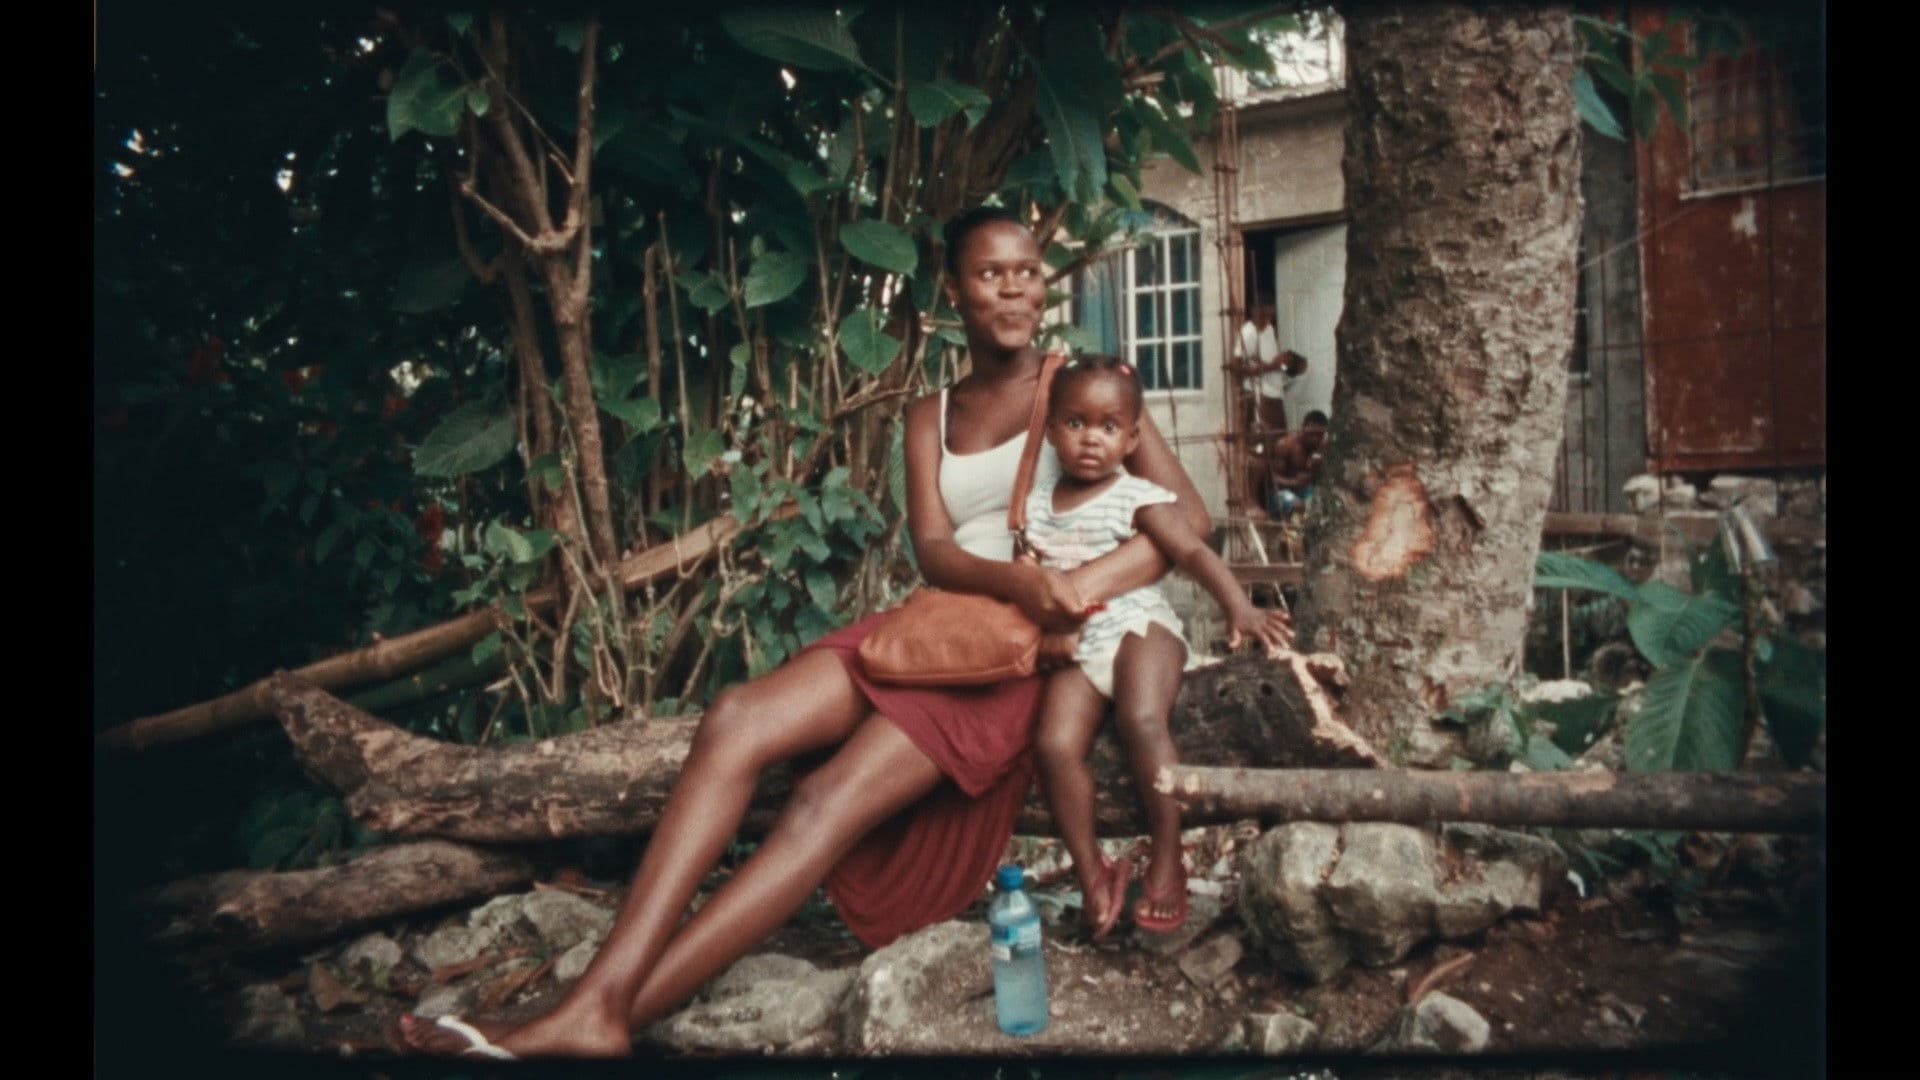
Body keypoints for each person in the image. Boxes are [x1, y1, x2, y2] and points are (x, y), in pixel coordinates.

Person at [394, 206, 1237, 1059]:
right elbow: (935, 550)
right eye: (991, 274)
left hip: (1018, 659)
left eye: (1027, 272)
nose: (1014, 289)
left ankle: (598, 1017)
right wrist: (1017, 579)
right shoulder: (930, 412)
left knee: (822, 803)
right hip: (946, 624)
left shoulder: (1084, 391)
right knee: (736, 718)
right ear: (954, 292)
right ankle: (595, 1007)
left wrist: (1076, 587)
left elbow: (1191, 520)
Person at [1023, 356, 1294, 940]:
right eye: (1075, 423)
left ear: (1131, 440)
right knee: (1053, 744)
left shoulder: (1138, 496)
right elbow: (1030, 578)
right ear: (1050, 430)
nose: (1091, 439)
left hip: (1141, 628)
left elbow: (1193, 551)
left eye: (1108, 426)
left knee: (1142, 718)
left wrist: (1239, 607)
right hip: (1078, 642)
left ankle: (1168, 854)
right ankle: (1092, 870)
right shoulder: (1036, 505)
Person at [1266, 409, 1329, 520]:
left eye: (1319, 435)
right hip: (1281, 493)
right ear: (1303, 427)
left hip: (1306, 491)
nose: (1315, 439)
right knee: (1298, 505)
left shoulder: (1322, 447)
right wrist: (1295, 482)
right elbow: (1272, 480)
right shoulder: (1285, 445)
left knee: (1322, 504)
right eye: (1312, 434)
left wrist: (1315, 473)